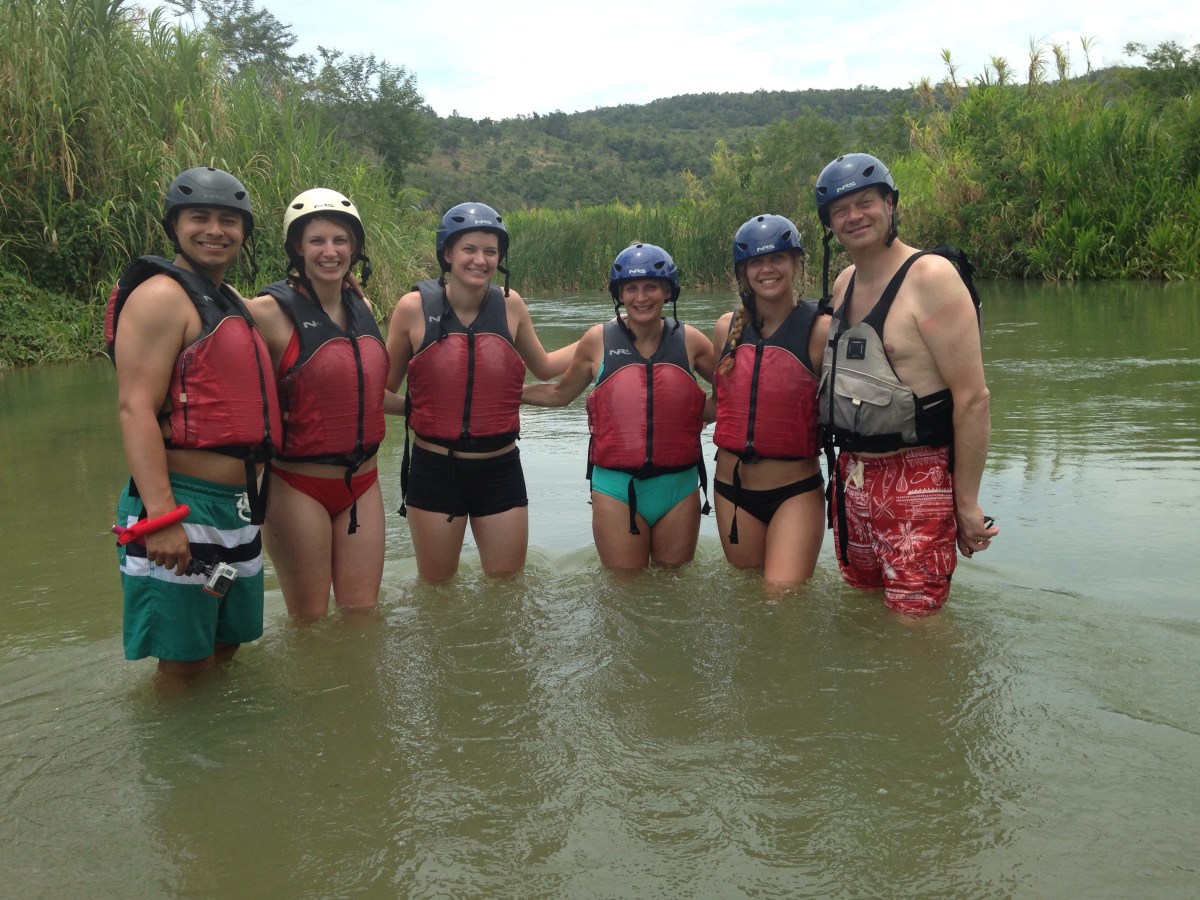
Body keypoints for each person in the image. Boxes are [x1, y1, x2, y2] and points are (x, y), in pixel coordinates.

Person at [106, 166, 282, 677]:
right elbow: (134, 408)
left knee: (227, 648)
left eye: (229, 220)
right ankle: (173, 755)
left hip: (237, 513)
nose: (214, 230)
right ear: (174, 226)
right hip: (183, 507)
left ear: (244, 232)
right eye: (198, 217)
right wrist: (161, 519)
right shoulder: (161, 297)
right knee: (183, 666)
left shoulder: (228, 303)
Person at [814, 152, 997, 615]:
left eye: (866, 202)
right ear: (829, 224)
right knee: (864, 612)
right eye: (840, 209)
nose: (854, 216)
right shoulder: (843, 284)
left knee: (918, 624)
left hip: (917, 475)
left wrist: (967, 503)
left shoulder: (931, 277)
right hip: (853, 477)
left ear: (891, 203)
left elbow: (973, 399)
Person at [384, 202, 574, 581]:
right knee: (437, 592)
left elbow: (547, 367)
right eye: (469, 249)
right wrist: (424, 409)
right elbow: (379, 392)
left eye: (490, 251)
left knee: (507, 590)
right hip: (435, 469)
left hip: (500, 468)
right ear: (448, 253)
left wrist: (599, 338)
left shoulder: (510, 304)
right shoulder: (412, 308)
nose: (480, 260)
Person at [522, 243, 714, 569]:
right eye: (631, 288)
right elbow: (559, 394)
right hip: (615, 489)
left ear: (667, 291)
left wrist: (692, 415)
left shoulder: (691, 341)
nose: (641, 297)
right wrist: (506, 392)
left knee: (675, 588)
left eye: (651, 287)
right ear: (620, 295)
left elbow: (734, 395)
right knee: (624, 591)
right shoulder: (596, 341)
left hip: (678, 488)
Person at [246, 189, 389, 619]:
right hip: (297, 486)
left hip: (363, 483)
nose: (331, 251)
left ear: (355, 248)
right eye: (318, 241)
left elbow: (359, 389)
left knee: (362, 617)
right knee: (309, 622)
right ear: (297, 248)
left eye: (341, 241)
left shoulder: (362, 305)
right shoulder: (267, 312)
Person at [711, 214, 830, 591]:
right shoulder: (725, 328)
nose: (767, 270)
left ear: (796, 263)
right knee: (749, 606)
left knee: (782, 600)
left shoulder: (821, 329)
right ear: (743, 272)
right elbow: (723, 403)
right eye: (756, 263)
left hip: (794, 492)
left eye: (777, 258)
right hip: (733, 492)